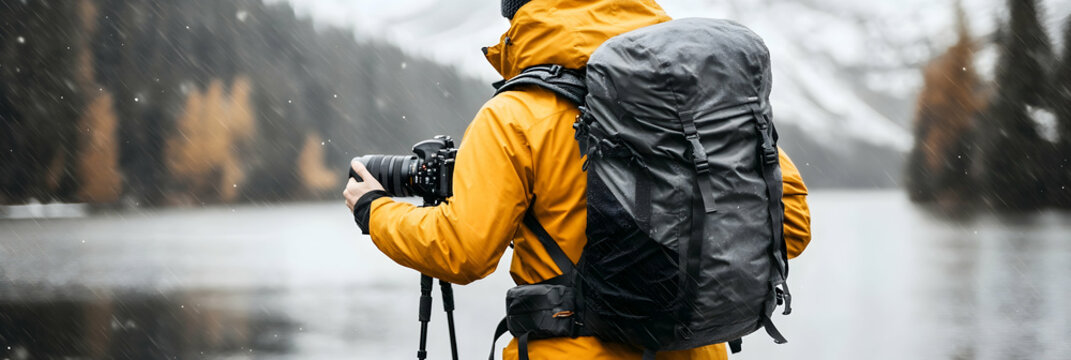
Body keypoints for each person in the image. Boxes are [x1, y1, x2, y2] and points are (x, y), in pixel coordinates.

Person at [342, 0, 812, 359]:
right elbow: (790, 226)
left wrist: (374, 210)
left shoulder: (515, 114)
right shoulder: (701, 101)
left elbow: (464, 250)